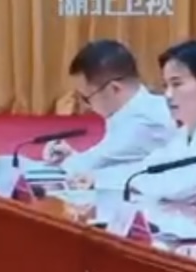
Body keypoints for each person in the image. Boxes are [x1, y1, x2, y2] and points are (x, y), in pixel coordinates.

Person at [71, 40, 196, 204]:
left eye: (177, 84)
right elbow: (147, 169)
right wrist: (99, 179)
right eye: (165, 86)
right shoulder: (184, 135)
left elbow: (179, 188)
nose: (168, 95)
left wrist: (112, 180)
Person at [51, 39, 176, 186]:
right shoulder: (143, 107)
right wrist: (70, 155)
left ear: (114, 89)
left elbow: (87, 167)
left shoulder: (143, 122)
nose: (86, 107)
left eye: (86, 98)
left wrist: (69, 161)